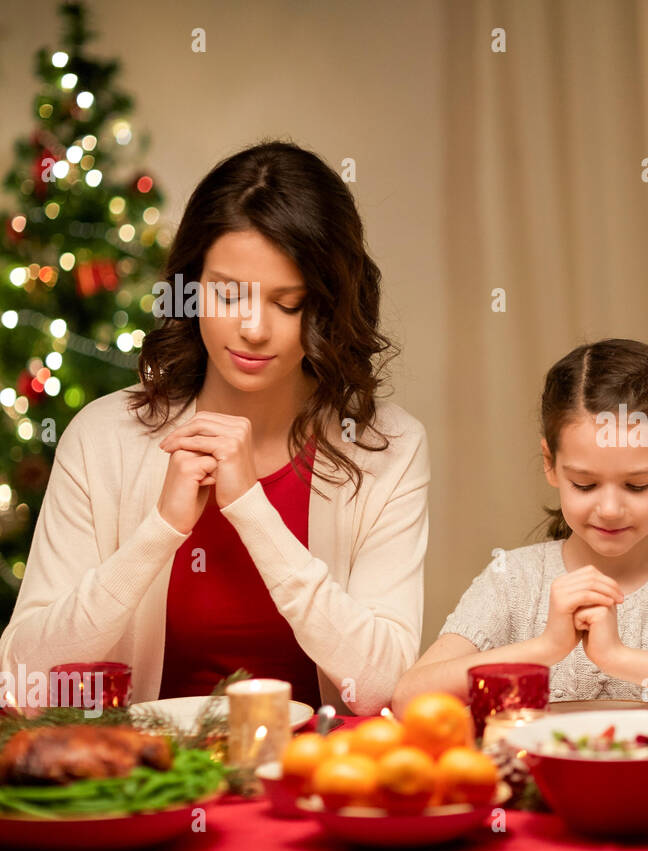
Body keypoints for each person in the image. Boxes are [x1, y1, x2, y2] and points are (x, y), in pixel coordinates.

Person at [0, 141, 429, 716]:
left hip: (315, 782)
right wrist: (160, 530)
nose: (252, 328)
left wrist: (253, 510)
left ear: (326, 306)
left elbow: (381, 686)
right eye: (227, 294)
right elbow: (23, 681)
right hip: (149, 785)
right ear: (190, 287)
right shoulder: (104, 439)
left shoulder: (386, 450)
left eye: (287, 302)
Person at [394, 338, 648, 712]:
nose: (611, 509)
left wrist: (616, 657)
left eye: (636, 485)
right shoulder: (513, 578)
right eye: (585, 484)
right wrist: (547, 646)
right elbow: (410, 698)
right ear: (550, 463)